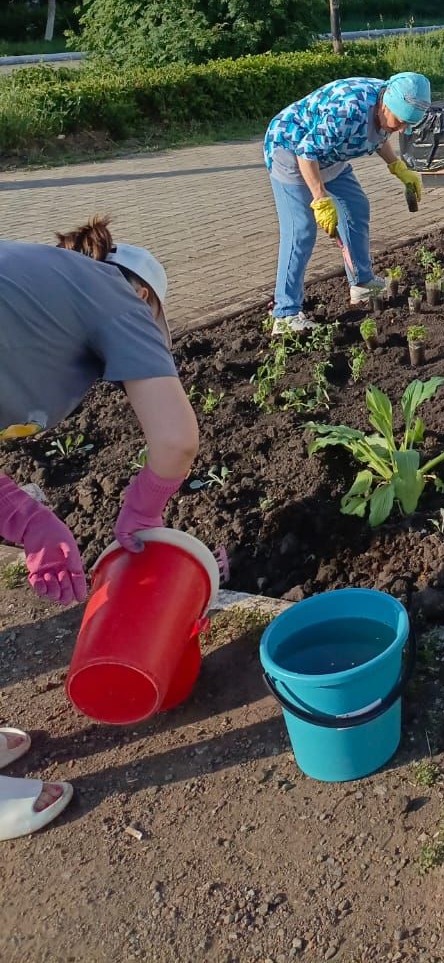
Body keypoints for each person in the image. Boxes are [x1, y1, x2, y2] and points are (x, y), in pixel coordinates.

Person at [0, 217, 200, 840]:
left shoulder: (41, 289)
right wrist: (142, 509)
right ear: (148, 298)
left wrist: (25, 516)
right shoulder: (119, 297)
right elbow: (175, 440)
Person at [263, 71, 430, 333]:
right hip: (290, 149)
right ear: (385, 105)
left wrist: (397, 167)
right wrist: (320, 198)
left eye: (408, 125)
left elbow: (378, 135)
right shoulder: (347, 110)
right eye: (399, 122)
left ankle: (362, 283)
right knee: (301, 230)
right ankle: (285, 313)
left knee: (356, 207)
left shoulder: (387, 102)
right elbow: (306, 152)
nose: (401, 130)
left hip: (329, 155)